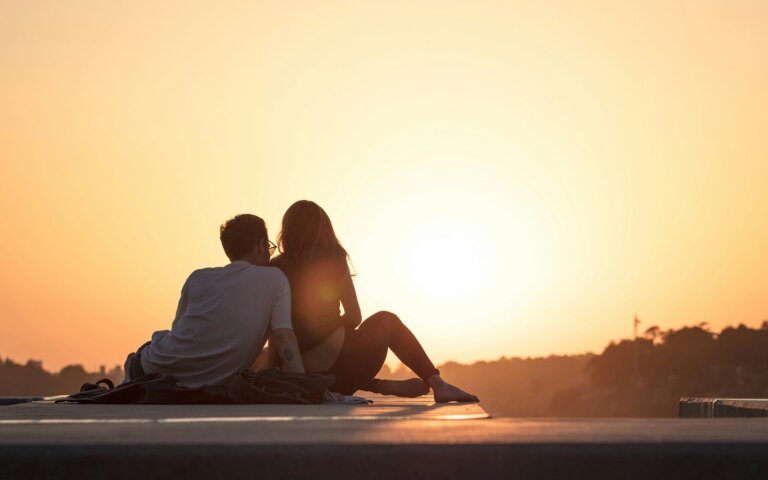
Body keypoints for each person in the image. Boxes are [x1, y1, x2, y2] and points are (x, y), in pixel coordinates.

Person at [269, 200, 479, 403]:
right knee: (387, 320)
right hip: (343, 368)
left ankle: (377, 385)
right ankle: (438, 385)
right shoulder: (334, 258)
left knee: (336, 357)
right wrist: (333, 331)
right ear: (324, 229)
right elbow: (354, 316)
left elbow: (274, 329)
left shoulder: (275, 267)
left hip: (300, 374)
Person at [122, 214, 305, 388]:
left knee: (148, 350)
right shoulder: (275, 279)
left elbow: (180, 332)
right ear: (260, 245)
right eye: (269, 248)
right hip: (203, 380)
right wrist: (305, 385)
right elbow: (283, 337)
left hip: (159, 369)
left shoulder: (198, 278)